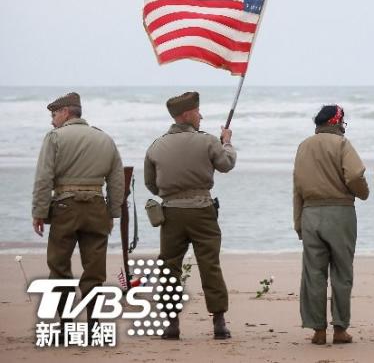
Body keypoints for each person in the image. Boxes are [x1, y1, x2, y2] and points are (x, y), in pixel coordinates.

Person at [144, 91, 236, 340]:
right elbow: (226, 164)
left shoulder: (156, 145)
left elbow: (151, 184)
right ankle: (219, 323)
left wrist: (171, 193)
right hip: (202, 212)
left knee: (169, 267)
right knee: (210, 265)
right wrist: (226, 141)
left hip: (171, 213)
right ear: (187, 114)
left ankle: (171, 324)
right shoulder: (207, 141)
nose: (201, 116)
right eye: (197, 112)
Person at [32, 92, 124, 333]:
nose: (52, 121)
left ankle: (65, 323)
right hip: (96, 207)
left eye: (54, 114)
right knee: (95, 269)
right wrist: (112, 213)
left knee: (59, 267)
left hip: (65, 207)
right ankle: (94, 323)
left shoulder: (54, 138)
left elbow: (44, 178)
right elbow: (116, 180)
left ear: (65, 113)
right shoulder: (104, 139)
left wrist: (39, 211)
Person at [294, 104, 369, 345]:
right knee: (342, 273)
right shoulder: (342, 144)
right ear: (337, 122)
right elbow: (356, 175)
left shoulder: (303, 146)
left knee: (313, 274)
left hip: (310, 214)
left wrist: (298, 222)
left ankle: (318, 330)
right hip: (340, 213)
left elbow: (297, 188)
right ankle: (339, 329)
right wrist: (363, 193)